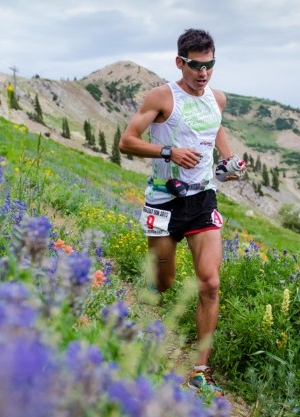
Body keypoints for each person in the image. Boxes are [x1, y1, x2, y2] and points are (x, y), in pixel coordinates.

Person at [118, 28, 243, 396]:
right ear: (180, 62)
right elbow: (127, 142)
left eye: (209, 66)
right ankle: (140, 321)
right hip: (163, 201)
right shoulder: (161, 97)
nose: (203, 73)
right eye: (195, 66)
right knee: (164, 282)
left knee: (210, 282)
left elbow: (216, 132)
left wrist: (230, 161)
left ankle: (201, 369)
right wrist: (168, 152)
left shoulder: (217, 99)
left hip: (202, 199)